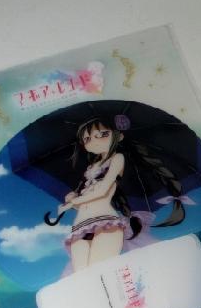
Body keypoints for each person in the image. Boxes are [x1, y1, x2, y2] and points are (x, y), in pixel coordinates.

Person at [52, 116, 185, 272]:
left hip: (105, 223)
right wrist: (73, 200)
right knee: (81, 275)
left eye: (102, 134)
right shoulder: (90, 168)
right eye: (87, 139)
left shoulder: (117, 158)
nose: (93, 141)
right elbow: (87, 202)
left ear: (119, 136)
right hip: (80, 226)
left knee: (100, 271)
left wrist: (75, 201)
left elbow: (103, 191)